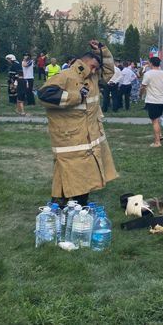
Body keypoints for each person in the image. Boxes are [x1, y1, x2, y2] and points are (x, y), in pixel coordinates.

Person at [38, 40, 118, 206]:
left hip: (88, 138)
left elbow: (109, 70)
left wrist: (103, 50)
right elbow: (45, 94)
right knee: (69, 175)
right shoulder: (65, 76)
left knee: (84, 177)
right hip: (70, 140)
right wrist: (76, 97)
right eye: (93, 66)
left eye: (96, 68)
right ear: (82, 62)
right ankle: (62, 208)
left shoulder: (93, 77)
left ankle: (76, 208)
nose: (95, 70)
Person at [141, 56, 163, 148]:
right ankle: (160, 135)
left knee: (155, 121)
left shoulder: (148, 74)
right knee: (158, 119)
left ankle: (157, 142)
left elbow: (143, 86)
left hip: (153, 100)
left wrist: (140, 94)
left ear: (151, 63)